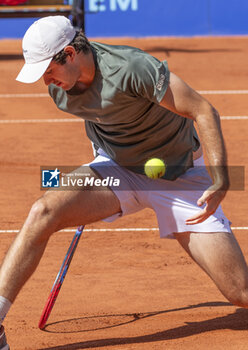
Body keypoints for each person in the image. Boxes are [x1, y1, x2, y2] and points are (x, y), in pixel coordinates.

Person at [0, 15, 248, 349]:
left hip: (179, 176)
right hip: (119, 170)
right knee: (43, 210)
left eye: (48, 71)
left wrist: (219, 177)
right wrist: (96, 164)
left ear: (70, 54)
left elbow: (203, 110)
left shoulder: (131, 68)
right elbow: (100, 122)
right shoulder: (62, 92)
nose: (47, 82)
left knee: (240, 292)